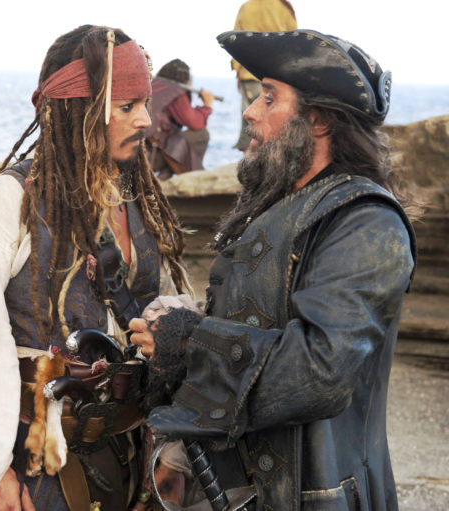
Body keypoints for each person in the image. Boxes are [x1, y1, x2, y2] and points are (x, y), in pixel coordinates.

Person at [129, 29, 417, 510]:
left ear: (318, 120)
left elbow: (320, 370)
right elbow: (259, 322)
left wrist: (190, 342)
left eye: (269, 97)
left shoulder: (367, 222)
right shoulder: (284, 205)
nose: (249, 112)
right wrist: (181, 331)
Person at [0, 24, 196, 511]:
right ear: (79, 109)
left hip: (129, 459)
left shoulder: (137, 199)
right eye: (126, 106)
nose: (146, 121)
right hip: (35, 470)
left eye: (146, 103)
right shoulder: (8, 203)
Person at [230, 0, 297, 152]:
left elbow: (235, 41)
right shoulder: (283, 7)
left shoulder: (246, 7)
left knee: (249, 120)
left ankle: (248, 158)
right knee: (275, 122)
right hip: (277, 74)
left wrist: (238, 73)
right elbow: (294, 42)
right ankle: (270, 157)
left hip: (249, 74)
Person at [146, 59, 215, 178]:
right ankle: (187, 178)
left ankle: (163, 179)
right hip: (152, 155)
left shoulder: (154, 86)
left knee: (173, 145)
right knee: (201, 135)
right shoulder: (174, 90)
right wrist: (207, 106)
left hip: (144, 153)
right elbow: (195, 122)